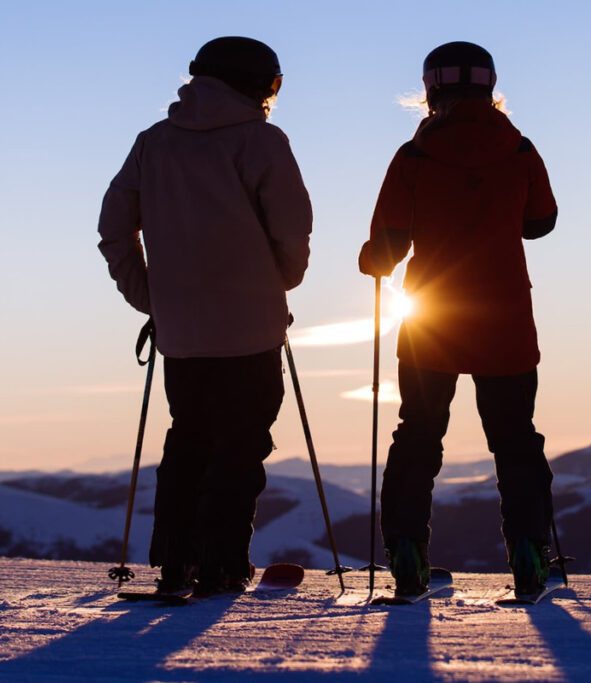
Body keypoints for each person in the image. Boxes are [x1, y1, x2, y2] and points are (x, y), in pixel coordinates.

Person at [97, 37, 312, 596]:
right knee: (242, 443)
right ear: (260, 84)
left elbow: (115, 228)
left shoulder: (154, 143)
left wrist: (148, 294)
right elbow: (292, 226)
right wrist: (281, 279)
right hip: (253, 326)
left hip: (183, 333)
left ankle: (175, 560)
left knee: (188, 437)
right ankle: (221, 563)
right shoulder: (261, 141)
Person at [358, 41, 559, 596]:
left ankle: (406, 549)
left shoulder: (414, 157)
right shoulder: (519, 151)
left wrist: (371, 259)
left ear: (431, 89)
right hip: (505, 317)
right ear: (490, 87)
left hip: (432, 318)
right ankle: (528, 549)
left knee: (418, 434)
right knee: (516, 439)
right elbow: (541, 222)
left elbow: (386, 247)